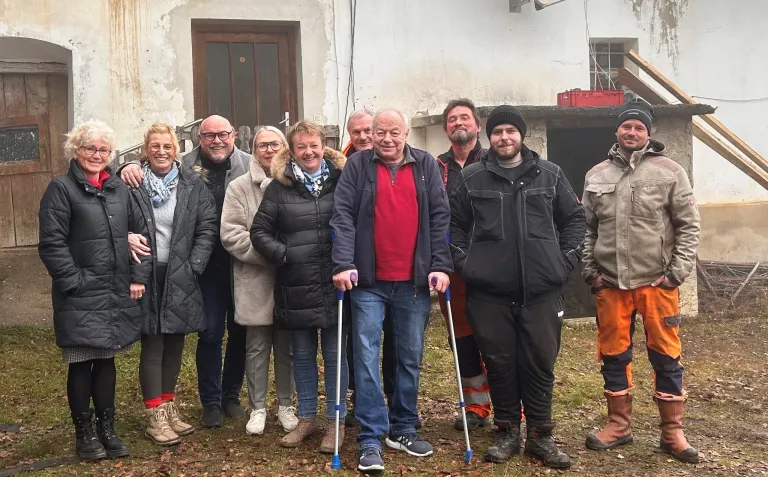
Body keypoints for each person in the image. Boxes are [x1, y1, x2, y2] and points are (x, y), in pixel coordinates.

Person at [449, 105, 585, 469]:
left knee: (539, 362)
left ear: (521, 136)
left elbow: (574, 219)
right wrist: (466, 264)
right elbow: (452, 226)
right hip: (488, 294)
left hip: (541, 291)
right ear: (488, 137)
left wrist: (564, 261)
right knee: (500, 363)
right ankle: (508, 429)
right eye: (497, 132)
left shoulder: (550, 175)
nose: (504, 137)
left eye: (511, 131)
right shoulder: (472, 178)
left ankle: (541, 435)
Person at [331, 109, 452, 473]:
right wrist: (342, 263)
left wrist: (441, 266)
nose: (386, 138)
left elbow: (440, 218)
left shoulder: (427, 165)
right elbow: (343, 216)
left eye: (393, 132)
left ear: (405, 134)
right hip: (368, 281)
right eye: (380, 132)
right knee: (365, 357)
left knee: (409, 355)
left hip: (414, 282)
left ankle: (402, 427)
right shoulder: (357, 167)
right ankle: (370, 436)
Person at [582, 101, 701, 463]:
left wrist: (676, 274)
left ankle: (672, 433)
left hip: (656, 284)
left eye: (639, 127)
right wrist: (592, 272)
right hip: (611, 285)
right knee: (614, 357)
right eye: (626, 127)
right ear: (617, 131)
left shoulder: (670, 172)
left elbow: (688, 225)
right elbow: (586, 229)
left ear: (649, 134)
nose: (631, 132)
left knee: (666, 356)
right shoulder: (597, 174)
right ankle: (618, 426)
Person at [121, 115, 250, 427]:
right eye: (209, 135)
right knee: (209, 333)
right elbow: (120, 193)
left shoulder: (249, 163)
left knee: (240, 332)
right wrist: (123, 167)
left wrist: (191, 262)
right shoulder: (185, 167)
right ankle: (210, 402)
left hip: (240, 262)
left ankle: (230, 396)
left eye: (223, 134)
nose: (217, 140)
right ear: (197, 138)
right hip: (200, 270)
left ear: (232, 135)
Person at [38, 120, 151, 461]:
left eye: (103, 150)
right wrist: (74, 281)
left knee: (106, 361)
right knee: (81, 362)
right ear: (76, 150)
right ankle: (84, 434)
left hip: (114, 291)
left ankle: (107, 428)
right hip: (81, 293)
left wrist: (138, 277)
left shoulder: (118, 189)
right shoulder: (61, 189)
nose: (96, 155)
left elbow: (140, 234)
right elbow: (51, 244)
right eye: (90, 148)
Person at [250, 121, 349, 453]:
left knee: (335, 356)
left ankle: (336, 422)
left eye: (314, 145)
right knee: (303, 356)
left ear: (325, 146)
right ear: (292, 150)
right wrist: (284, 254)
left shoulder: (341, 180)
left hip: (337, 283)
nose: (309, 152)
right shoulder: (280, 186)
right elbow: (259, 232)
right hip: (296, 284)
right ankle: (306, 418)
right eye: (301, 147)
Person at [128, 123, 218, 445]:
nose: (161, 151)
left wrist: (194, 264)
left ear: (175, 149)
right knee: (153, 343)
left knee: (175, 344)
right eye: (155, 146)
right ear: (146, 148)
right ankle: (155, 416)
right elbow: (115, 217)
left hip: (181, 273)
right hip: (148, 272)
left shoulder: (192, 183)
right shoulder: (133, 183)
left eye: (167, 146)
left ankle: (168, 405)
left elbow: (207, 227)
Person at [221, 126, 298, 436]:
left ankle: (285, 406)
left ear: (285, 148)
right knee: (256, 346)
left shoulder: (294, 183)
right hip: (255, 277)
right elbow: (231, 233)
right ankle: (258, 408)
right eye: (262, 145)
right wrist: (270, 253)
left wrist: (293, 255)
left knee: (287, 346)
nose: (269, 149)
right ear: (253, 150)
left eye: (275, 144)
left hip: (293, 277)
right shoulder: (239, 187)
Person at [435, 98, 492, 431]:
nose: (459, 122)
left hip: (491, 265)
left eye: (465, 117)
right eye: (452, 118)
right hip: (452, 267)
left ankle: (510, 404)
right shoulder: (435, 166)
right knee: (463, 336)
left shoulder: (494, 161)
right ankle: (475, 405)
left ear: (477, 125)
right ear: (446, 128)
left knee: (498, 335)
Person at [341, 109, 399, 429]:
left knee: (393, 337)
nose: (363, 136)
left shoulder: (396, 161)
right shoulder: (342, 167)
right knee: (358, 339)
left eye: (367, 130)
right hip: (357, 270)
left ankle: (391, 394)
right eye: (356, 132)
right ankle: (359, 397)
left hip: (394, 267)